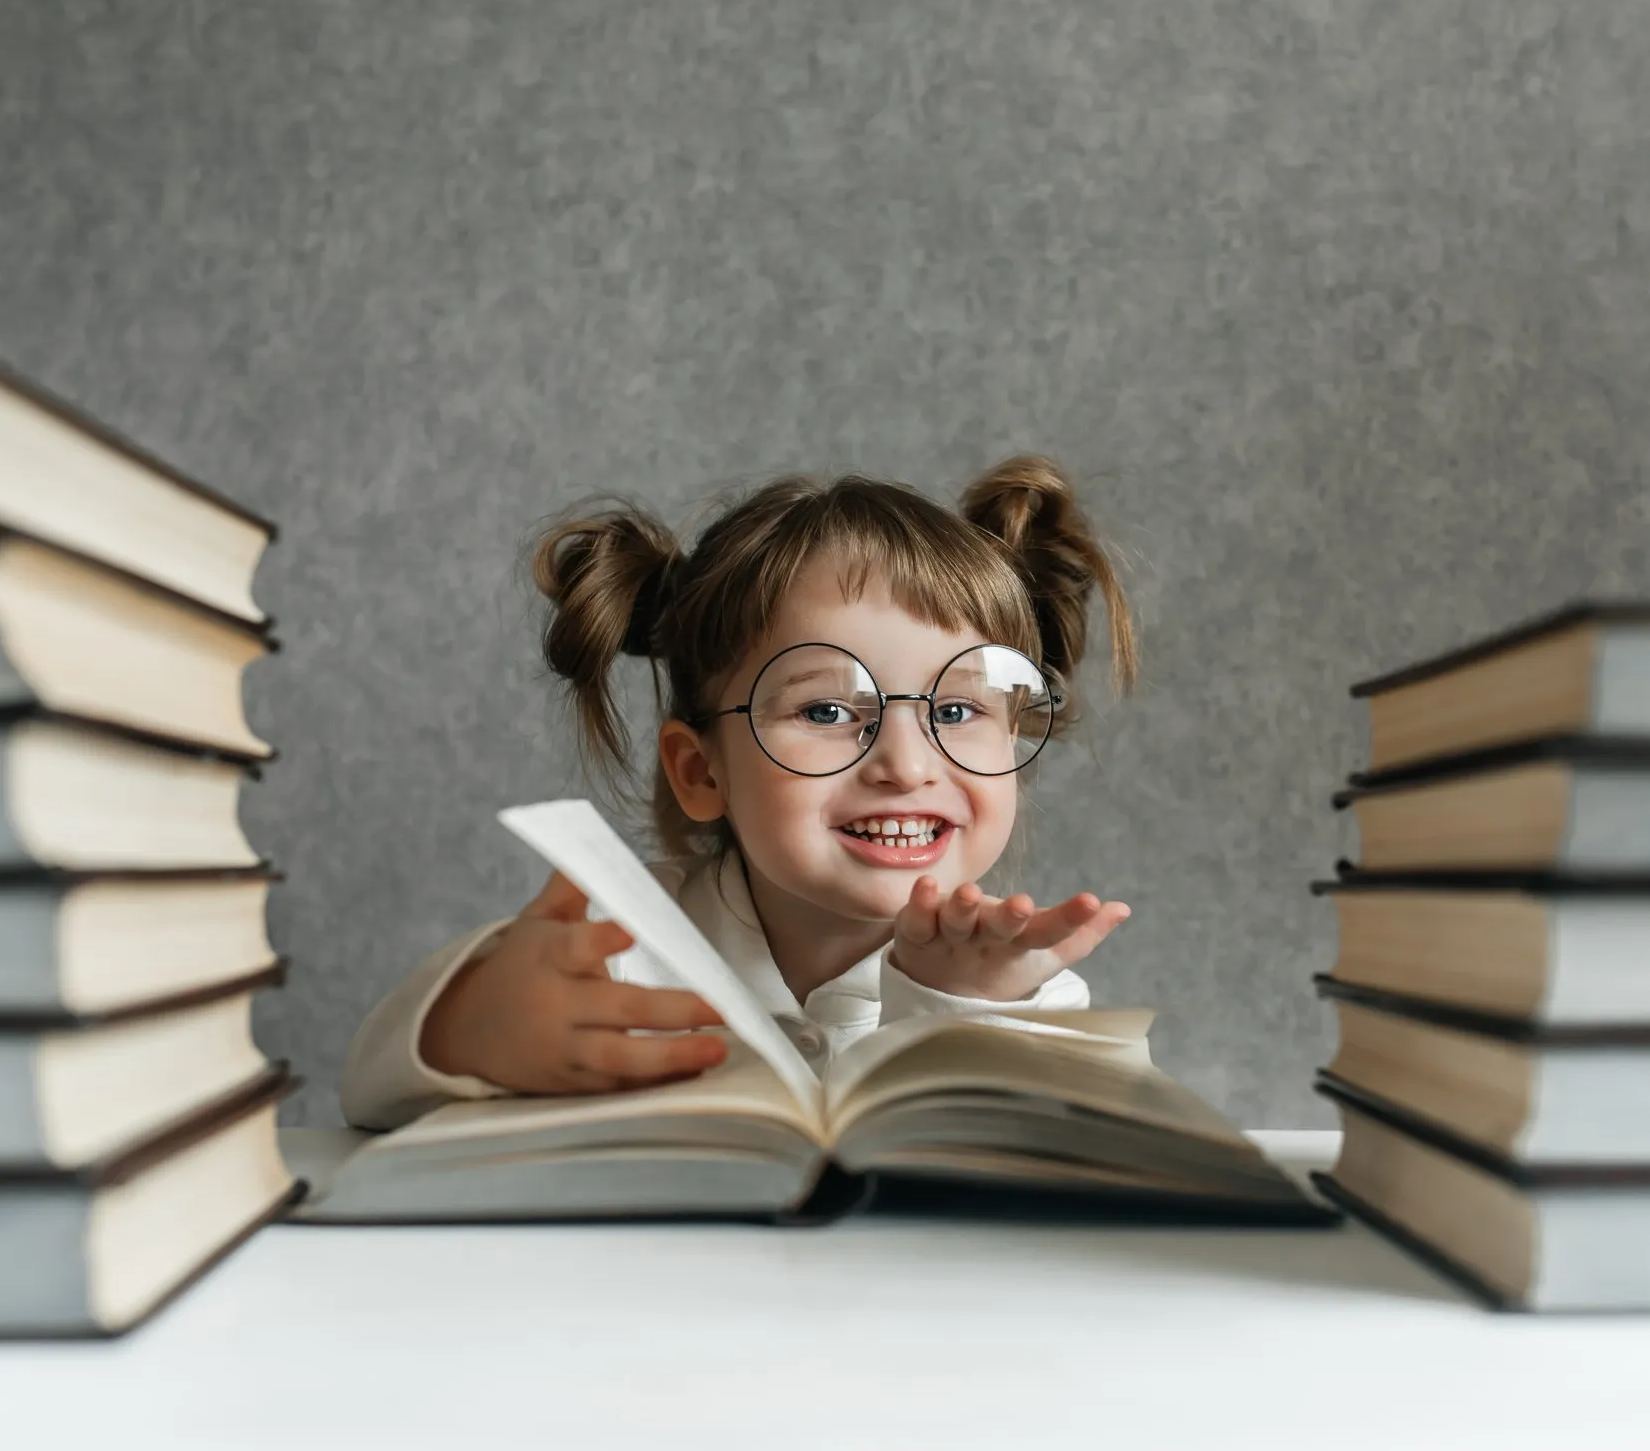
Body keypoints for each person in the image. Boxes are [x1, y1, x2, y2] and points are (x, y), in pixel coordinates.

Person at [341, 455, 1139, 1129]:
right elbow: (370, 1094)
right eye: (827, 709)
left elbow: (1022, 1218)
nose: (906, 761)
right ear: (701, 771)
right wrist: (471, 1027)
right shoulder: (615, 951)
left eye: (957, 709)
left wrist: (960, 1011)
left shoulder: (1021, 985)